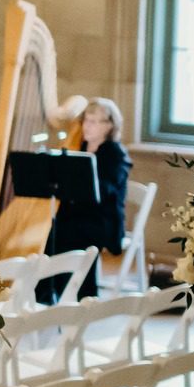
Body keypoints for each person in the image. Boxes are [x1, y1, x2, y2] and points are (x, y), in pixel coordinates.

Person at [39, 97, 131, 302]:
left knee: (69, 232)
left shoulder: (116, 154)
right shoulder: (78, 147)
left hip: (102, 220)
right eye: (86, 120)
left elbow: (103, 191)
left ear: (109, 126)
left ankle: (82, 295)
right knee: (55, 230)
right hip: (77, 215)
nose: (87, 126)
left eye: (94, 121)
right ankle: (49, 292)